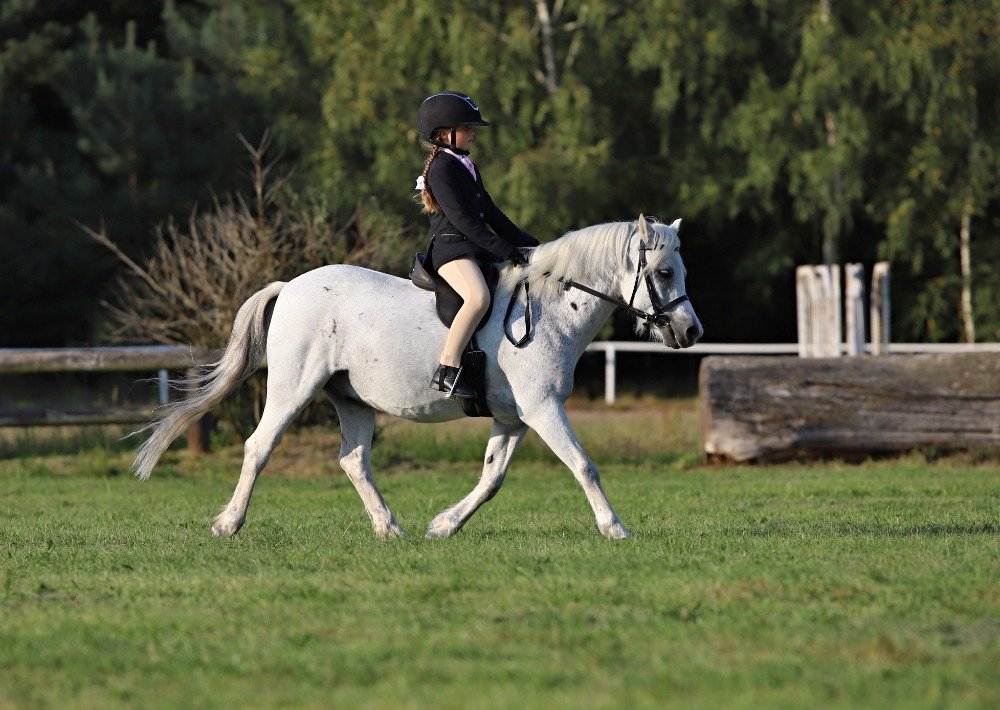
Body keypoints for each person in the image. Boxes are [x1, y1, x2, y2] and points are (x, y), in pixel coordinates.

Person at [415, 91, 539, 399]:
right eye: (467, 127)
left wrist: (530, 245)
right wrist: (505, 252)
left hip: (471, 248)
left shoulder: (465, 166)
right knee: (478, 297)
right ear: (444, 133)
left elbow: (492, 214)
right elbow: (464, 223)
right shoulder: (442, 169)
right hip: (452, 250)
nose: (473, 133)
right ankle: (447, 368)